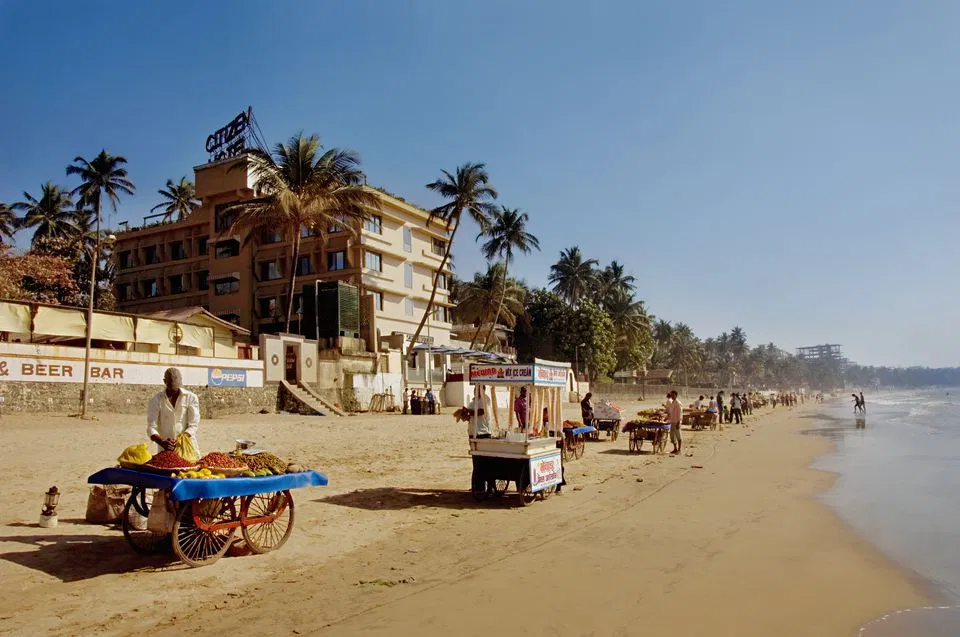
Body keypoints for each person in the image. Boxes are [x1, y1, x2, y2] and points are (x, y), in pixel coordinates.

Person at [147, 367, 201, 454]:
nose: (174, 393)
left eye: (176, 389)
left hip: (187, 448)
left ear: (181, 381)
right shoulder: (156, 400)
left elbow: (193, 425)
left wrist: (182, 438)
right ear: (165, 382)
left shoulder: (191, 397)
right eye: (171, 389)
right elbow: (151, 428)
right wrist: (161, 442)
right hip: (165, 450)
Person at [666, 390, 683, 454]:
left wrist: (678, 422)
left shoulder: (678, 403)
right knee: (672, 436)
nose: (672, 396)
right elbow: (671, 411)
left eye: (673, 395)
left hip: (677, 421)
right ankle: (675, 448)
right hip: (672, 421)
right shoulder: (673, 402)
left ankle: (679, 449)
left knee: (678, 435)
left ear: (676, 395)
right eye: (671, 395)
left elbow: (680, 413)